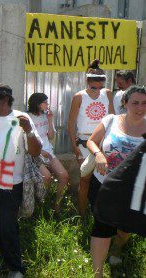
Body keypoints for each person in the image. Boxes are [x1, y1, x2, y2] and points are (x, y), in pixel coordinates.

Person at [0, 84, 42, 278]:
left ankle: (15, 267)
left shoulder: (21, 119)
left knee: (8, 227)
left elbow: (35, 151)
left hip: (11, 184)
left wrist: (29, 131)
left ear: (5, 99)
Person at [86, 85, 146, 277]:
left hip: (133, 188)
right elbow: (91, 141)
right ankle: (98, 273)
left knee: (125, 228)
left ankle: (117, 248)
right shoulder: (110, 120)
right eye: (135, 102)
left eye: (145, 103)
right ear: (125, 103)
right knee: (101, 227)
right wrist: (98, 155)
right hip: (105, 184)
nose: (140, 107)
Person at [67, 59, 114, 217]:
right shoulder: (79, 97)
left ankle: (103, 214)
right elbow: (71, 124)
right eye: (93, 87)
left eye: (100, 87)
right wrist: (75, 149)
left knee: (105, 180)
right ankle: (82, 215)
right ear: (86, 81)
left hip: (104, 142)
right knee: (85, 180)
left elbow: (113, 118)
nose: (96, 91)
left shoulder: (107, 93)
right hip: (85, 143)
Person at [27, 92, 68, 212]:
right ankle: (40, 206)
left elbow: (50, 136)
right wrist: (40, 151)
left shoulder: (46, 116)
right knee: (46, 177)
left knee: (64, 175)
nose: (47, 104)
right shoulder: (27, 117)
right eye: (45, 102)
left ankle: (57, 205)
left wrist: (50, 120)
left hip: (48, 152)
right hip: (35, 153)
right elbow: (25, 140)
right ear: (37, 104)